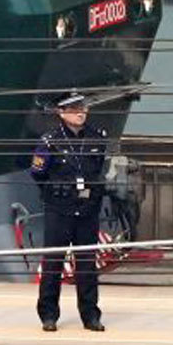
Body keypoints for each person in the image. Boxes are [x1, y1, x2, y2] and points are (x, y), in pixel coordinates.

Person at [30, 90, 107, 332]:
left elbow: (98, 169)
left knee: (86, 265)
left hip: (87, 210)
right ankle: (48, 315)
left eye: (83, 107)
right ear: (61, 112)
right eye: (74, 108)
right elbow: (38, 173)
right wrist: (57, 192)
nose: (80, 112)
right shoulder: (50, 141)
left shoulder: (97, 137)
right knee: (53, 263)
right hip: (59, 209)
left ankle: (90, 315)